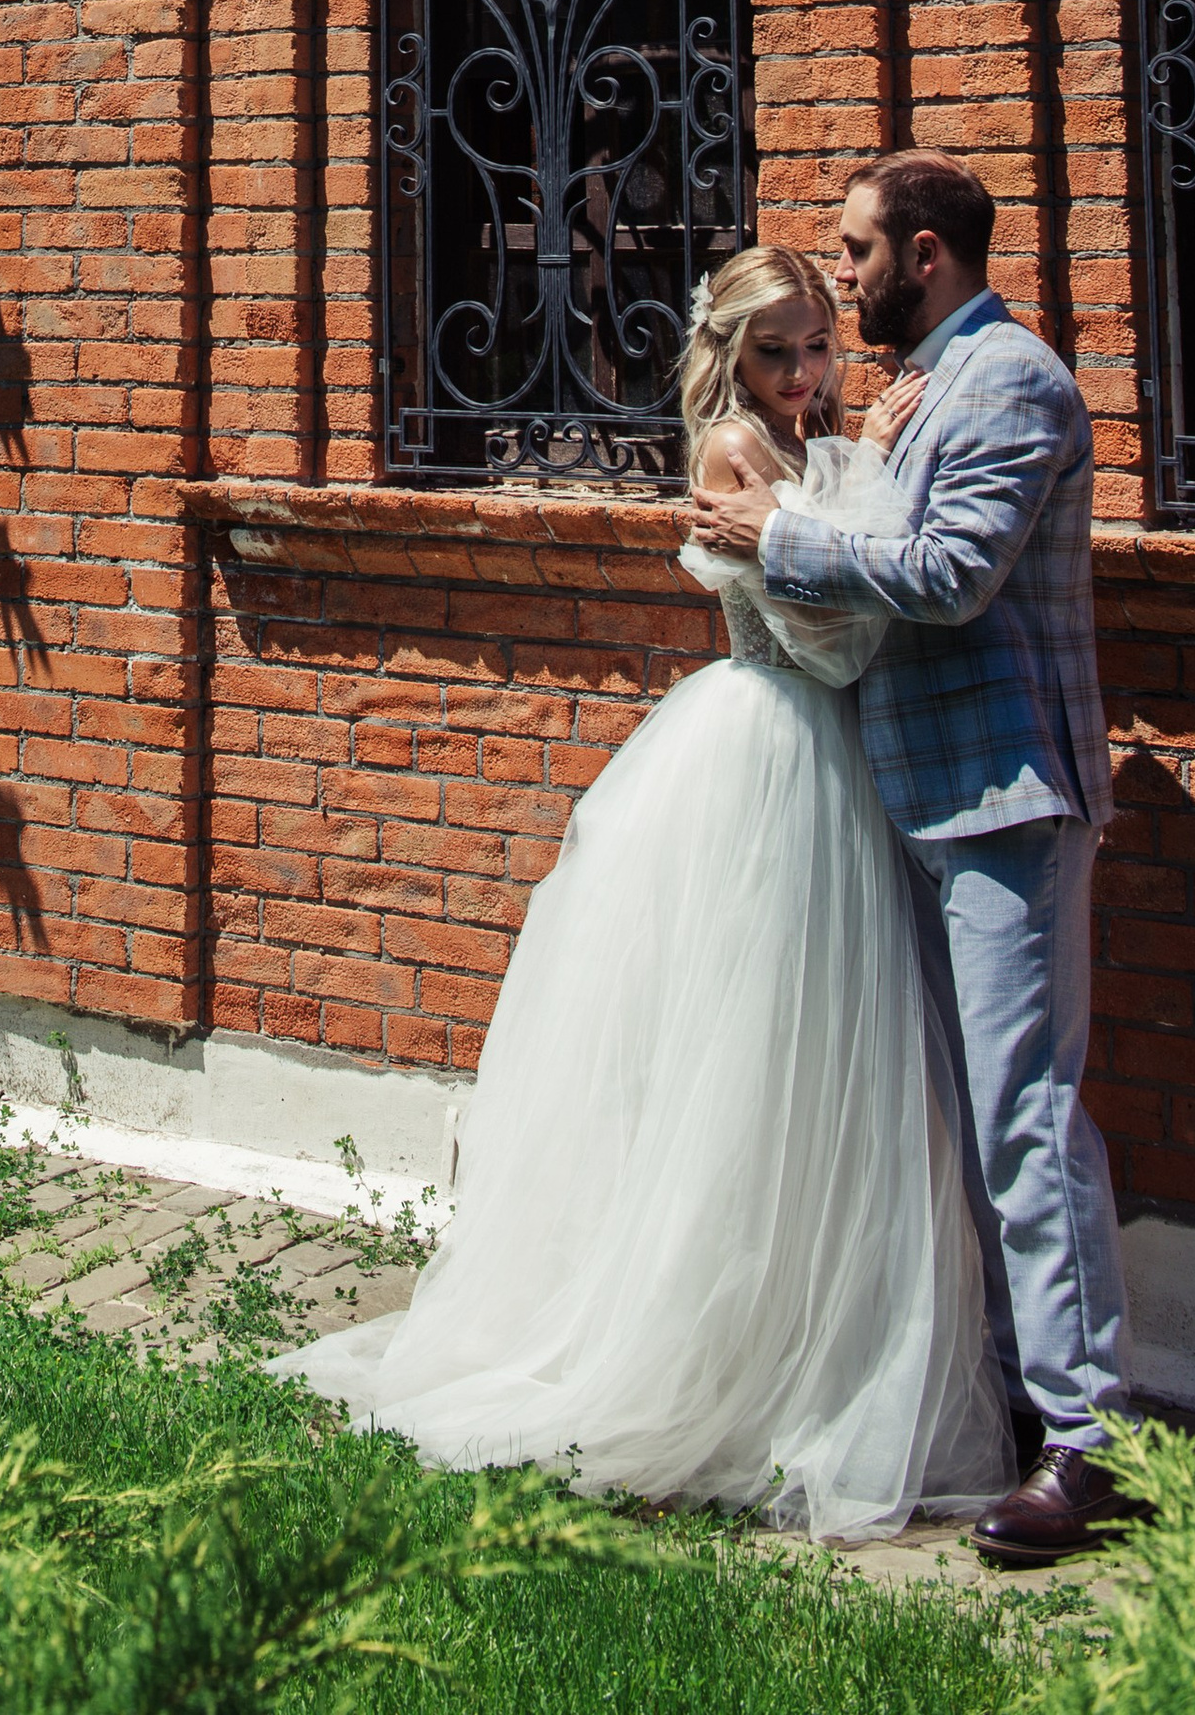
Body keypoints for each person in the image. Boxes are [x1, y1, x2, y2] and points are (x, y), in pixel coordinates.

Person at [280, 246, 1012, 1542]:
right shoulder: (735, 448)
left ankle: (808, 1347)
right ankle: (696, 1362)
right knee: (741, 1063)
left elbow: (843, 564)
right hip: (770, 754)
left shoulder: (814, 446)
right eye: (777, 351)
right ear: (731, 353)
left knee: (820, 1067)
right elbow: (827, 643)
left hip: (833, 773)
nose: (804, 372)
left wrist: (865, 473)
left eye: (818, 346)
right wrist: (870, 498)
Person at [691, 151, 1130, 1564]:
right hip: (927, 793)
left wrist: (782, 533)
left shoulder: (1008, 381)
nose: (846, 272)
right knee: (968, 1116)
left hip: (1006, 796)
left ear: (925, 253)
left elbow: (950, 573)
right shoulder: (923, 383)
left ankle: (1096, 1447)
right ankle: (1015, 1395)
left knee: (1026, 1117)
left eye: (858, 249)